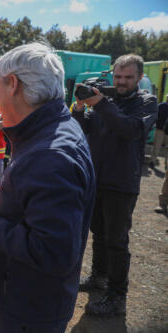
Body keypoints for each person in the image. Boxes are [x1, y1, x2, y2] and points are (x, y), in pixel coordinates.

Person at [0, 43, 95, 333]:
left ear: (13, 84)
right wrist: (0, 190)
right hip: (32, 297)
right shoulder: (48, 129)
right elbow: (36, 198)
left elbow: (52, 251)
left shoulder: (50, 154)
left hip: (31, 306)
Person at [73, 54, 157, 316]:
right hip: (97, 179)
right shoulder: (106, 100)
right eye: (118, 76)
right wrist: (78, 107)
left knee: (117, 241)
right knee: (98, 233)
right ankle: (99, 276)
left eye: (128, 77)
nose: (121, 82)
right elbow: (85, 127)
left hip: (122, 183)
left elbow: (128, 129)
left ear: (140, 78)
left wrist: (100, 102)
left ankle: (117, 295)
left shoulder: (146, 102)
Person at [149, 100, 168, 169]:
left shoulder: (161, 105)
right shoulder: (162, 106)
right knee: (156, 146)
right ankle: (152, 161)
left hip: (162, 130)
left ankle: (166, 163)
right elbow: (155, 115)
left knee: (157, 147)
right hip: (160, 129)